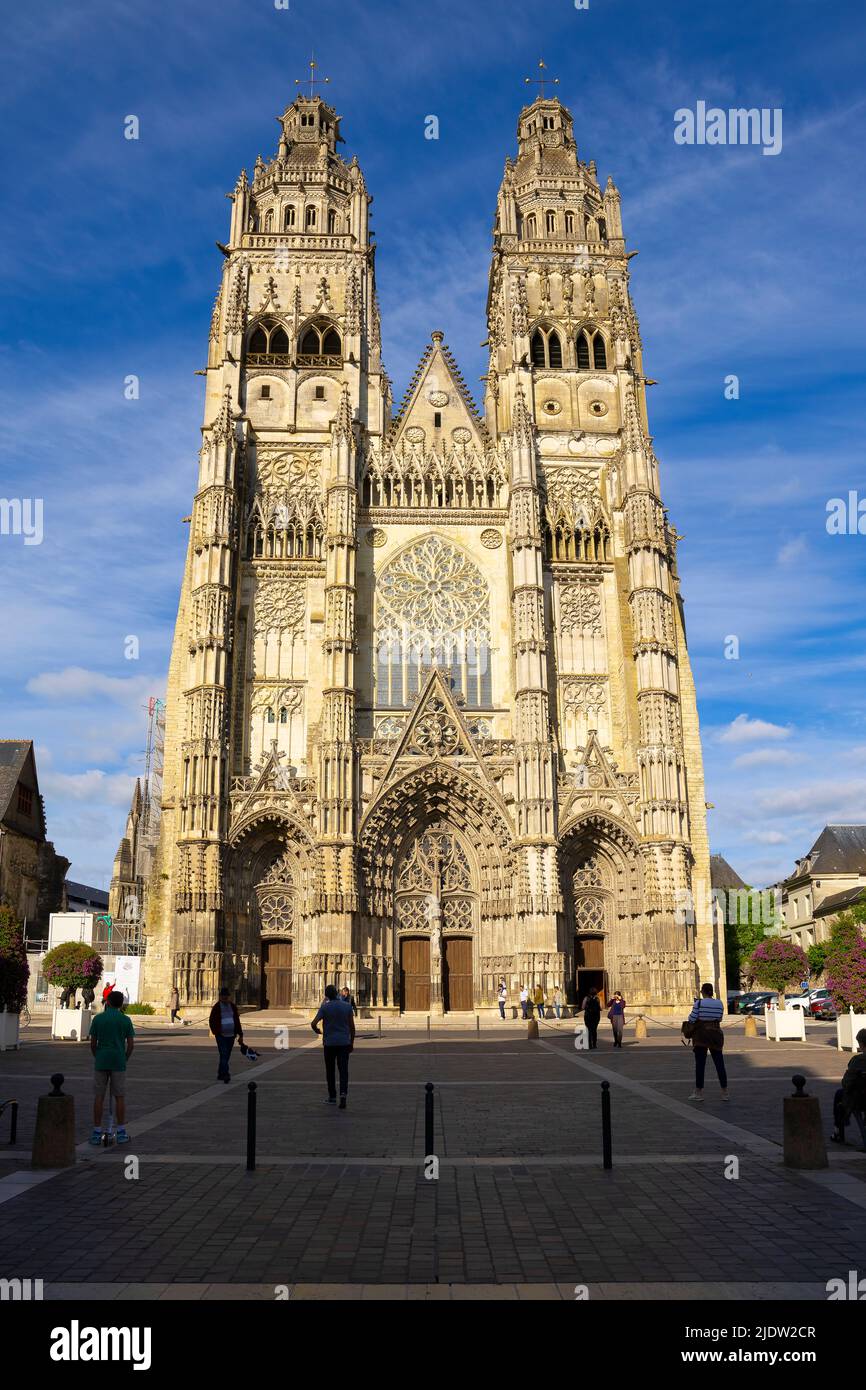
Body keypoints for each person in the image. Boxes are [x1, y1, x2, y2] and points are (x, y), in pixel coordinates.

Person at [88, 989, 134, 1145]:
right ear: (121, 1004)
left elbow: (93, 1043)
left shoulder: (98, 1019)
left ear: (107, 1002)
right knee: (119, 1097)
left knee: (99, 1097)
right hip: (118, 1060)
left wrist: (98, 1055)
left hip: (101, 1059)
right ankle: (120, 1131)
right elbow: (131, 1044)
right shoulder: (125, 1020)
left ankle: (96, 1132)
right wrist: (125, 1058)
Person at [311, 983, 355, 1109]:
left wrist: (318, 1031)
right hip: (343, 1043)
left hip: (329, 1043)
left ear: (326, 995)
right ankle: (343, 1095)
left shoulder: (325, 1007)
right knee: (343, 1071)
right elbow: (352, 1027)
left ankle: (332, 1097)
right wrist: (351, 1042)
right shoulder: (346, 1006)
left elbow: (313, 1023)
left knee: (330, 1071)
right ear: (337, 993)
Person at [686, 983, 728, 1101]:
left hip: (701, 1035)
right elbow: (719, 1018)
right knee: (719, 1064)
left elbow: (692, 1019)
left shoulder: (698, 1003)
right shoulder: (719, 1003)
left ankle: (698, 1093)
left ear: (703, 992)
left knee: (700, 1064)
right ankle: (725, 1093)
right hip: (716, 1035)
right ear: (712, 992)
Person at [831, 1027, 866, 1143]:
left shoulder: (857, 1060)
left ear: (862, 1044)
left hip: (860, 1099)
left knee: (839, 1094)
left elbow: (846, 1082)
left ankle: (838, 1130)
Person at [208, 986, 244, 1083]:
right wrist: (216, 1032)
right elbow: (211, 1020)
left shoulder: (232, 1006)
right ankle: (225, 1074)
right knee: (224, 1054)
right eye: (223, 996)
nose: (225, 998)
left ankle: (220, 1073)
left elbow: (236, 1020)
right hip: (221, 1035)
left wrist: (240, 1034)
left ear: (229, 997)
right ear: (220, 997)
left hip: (231, 1035)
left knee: (226, 1055)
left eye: (226, 996)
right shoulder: (216, 1007)